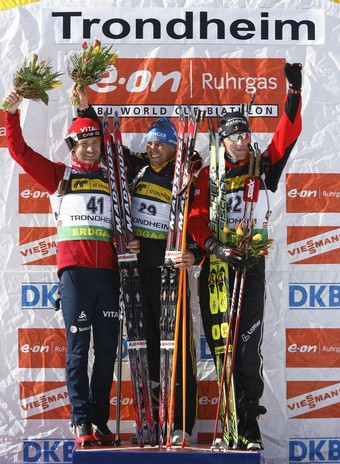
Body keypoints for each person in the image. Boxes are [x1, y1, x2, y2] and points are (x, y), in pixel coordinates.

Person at [3, 89, 140, 446]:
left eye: (95, 140)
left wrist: (131, 244)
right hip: (76, 275)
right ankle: (80, 422)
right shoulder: (59, 175)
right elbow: (19, 152)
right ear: (72, 146)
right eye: (84, 142)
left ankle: (99, 421)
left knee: (107, 353)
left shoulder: (115, 179)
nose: (92, 147)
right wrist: (11, 112)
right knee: (79, 352)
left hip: (109, 275)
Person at [74, 90, 203, 445]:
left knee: (177, 348)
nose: (154, 149)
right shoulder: (137, 166)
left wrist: (193, 251)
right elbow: (107, 147)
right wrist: (85, 109)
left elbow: (199, 218)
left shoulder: (186, 176)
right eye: (150, 143)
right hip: (135, 271)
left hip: (169, 272)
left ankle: (181, 424)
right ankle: (148, 420)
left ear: (175, 147)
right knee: (143, 350)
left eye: (161, 144)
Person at [186, 62, 302, 450]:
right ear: (221, 140)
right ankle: (228, 422)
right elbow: (196, 218)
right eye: (233, 135)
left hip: (250, 263)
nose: (240, 140)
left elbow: (287, 137)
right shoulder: (206, 174)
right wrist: (214, 246)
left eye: (244, 133)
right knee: (223, 344)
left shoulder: (260, 165)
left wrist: (293, 96)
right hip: (217, 266)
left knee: (246, 344)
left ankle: (248, 423)